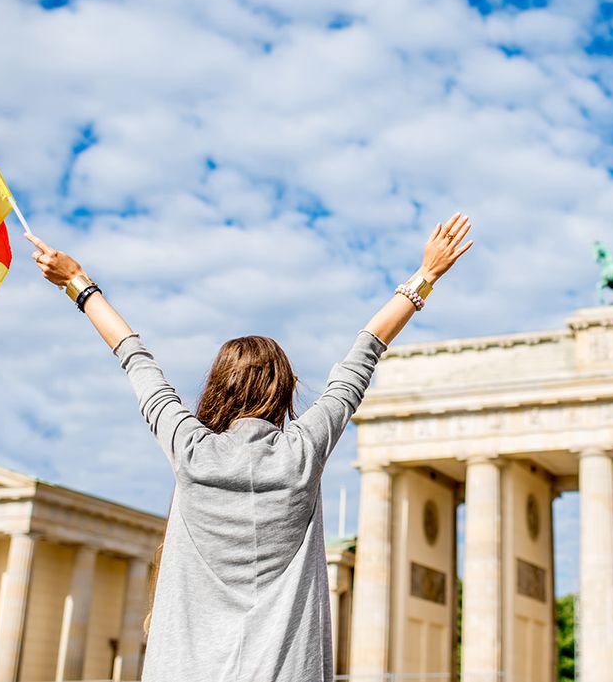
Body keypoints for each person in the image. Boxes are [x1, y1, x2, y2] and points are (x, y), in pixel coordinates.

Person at [25, 213, 474, 682]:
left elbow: (134, 356)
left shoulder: (189, 449)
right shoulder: (304, 451)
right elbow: (366, 351)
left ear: (216, 386)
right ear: (285, 390)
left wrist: (78, 282)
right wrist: (426, 275)